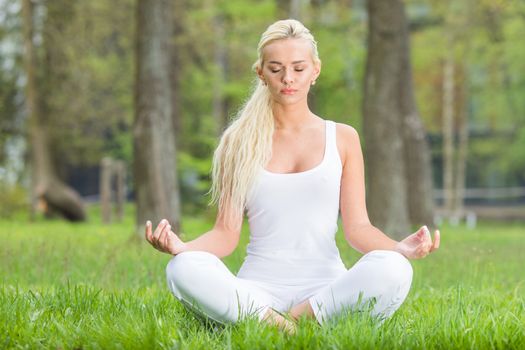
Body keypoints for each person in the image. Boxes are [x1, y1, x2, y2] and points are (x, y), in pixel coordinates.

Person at [145, 19, 440, 334]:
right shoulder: (238, 142)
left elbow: (358, 229)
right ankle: (286, 325)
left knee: (394, 268)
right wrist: (182, 248)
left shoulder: (342, 138)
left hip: (326, 288)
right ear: (261, 73)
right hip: (257, 290)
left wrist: (399, 248)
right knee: (182, 268)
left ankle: (285, 324)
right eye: (276, 69)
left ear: (315, 71)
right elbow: (225, 234)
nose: (288, 78)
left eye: (299, 69)